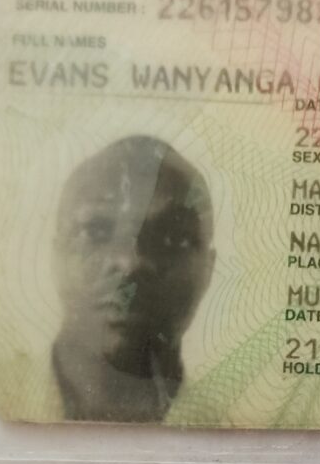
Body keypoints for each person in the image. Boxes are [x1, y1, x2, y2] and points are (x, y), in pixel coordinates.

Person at [50, 137, 216, 423]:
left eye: (173, 238)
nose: (130, 263)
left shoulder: (240, 421)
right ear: (56, 256)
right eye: (96, 231)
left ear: (208, 270)